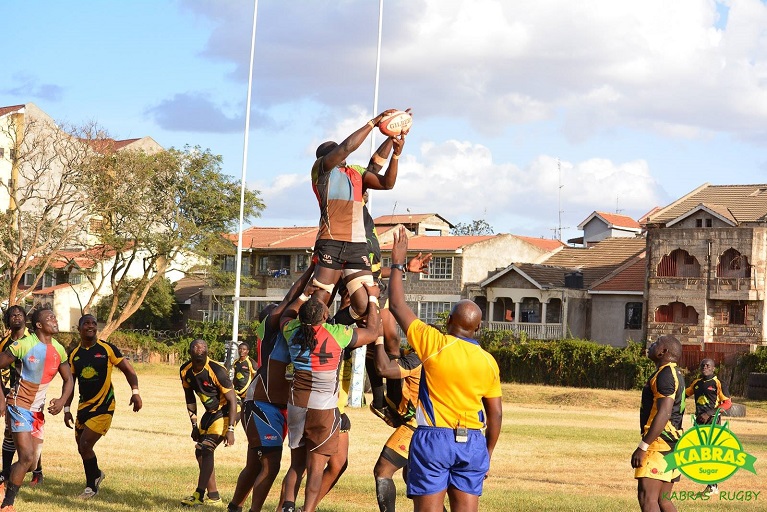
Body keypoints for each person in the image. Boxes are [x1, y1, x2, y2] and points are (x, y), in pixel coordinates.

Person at [386, 226, 503, 512]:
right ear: (478, 329)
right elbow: (496, 413)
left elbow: (397, 304)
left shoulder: (434, 343)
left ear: (449, 320)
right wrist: (486, 454)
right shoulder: (489, 361)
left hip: (434, 439)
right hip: (473, 441)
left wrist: (398, 263)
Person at [279, 282, 381, 512]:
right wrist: (373, 299)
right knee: (316, 467)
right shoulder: (336, 333)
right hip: (323, 408)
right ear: (325, 316)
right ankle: (307, 510)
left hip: (297, 404)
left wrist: (303, 295)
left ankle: (287, 506)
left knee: (296, 464)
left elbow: (285, 314)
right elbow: (373, 332)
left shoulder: (291, 330)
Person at [227, 264, 315, 512]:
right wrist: (310, 273)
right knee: (272, 463)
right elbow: (289, 299)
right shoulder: (267, 331)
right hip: (262, 404)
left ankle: (235, 507)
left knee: (256, 465)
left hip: (287, 406)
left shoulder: (295, 333)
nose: (282, 312)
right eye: (275, 311)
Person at [310, 110, 405, 321]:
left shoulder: (356, 173)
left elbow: (387, 183)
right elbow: (346, 147)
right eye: (335, 152)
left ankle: (334, 325)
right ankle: (305, 339)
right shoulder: (322, 171)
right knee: (319, 300)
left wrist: (395, 149)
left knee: (363, 305)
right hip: (331, 242)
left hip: (356, 246)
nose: (342, 154)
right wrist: (373, 122)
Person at [0, 308, 73, 511]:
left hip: (37, 412)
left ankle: (1, 477)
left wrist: (62, 400)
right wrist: (1, 396)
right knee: (26, 457)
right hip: (19, 406)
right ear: (39, 325)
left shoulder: (59, 349)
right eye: (50, 318)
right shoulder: (23, 345)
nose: (55, 320)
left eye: (55, 317)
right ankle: (7, 504)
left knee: (31, 464)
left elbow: (69, 379)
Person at [64, 314, 142, 499]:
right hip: (83, 407)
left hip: (104, 406)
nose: (91, 326)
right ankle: (97, 474)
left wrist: (136, 392)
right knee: (82, 448)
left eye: (93, 323)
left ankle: (91, 488)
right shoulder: (74, 354)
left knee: (85, 444)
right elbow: (69, 384)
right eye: (86, 323)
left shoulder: (107, 349)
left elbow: (128, 370)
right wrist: (66, 408)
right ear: (79, 328)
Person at [371, 335, 428, 512]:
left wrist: (379, 336)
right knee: (415, 480)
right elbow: (391, 354)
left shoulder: (417, 358)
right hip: (430, 426)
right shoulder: (434, 358)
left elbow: (384, 367)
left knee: (383, 471)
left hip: (415, 426)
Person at [180, 339, 237, 507]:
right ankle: (214, 497)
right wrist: (194, 424)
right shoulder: (185, 370)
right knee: (200, 452)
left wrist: (231, 429)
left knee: (206, 448)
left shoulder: (217, 370)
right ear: (190, 351)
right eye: (196, 346)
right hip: (211, 413)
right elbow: (189, 397)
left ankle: (199, 495)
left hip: (229, 410)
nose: (200, 348)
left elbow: (233, 400)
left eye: (204, 346)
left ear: (207, 351)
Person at [631, 335, 685, 512]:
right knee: (664, 501)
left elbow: (665, 412)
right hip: (673, 442)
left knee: (648, 499)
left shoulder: (665, 375)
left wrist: (643, 446)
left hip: (659, 444)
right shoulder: (675, 373)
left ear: (663, 351)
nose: (651, 345)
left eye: (655, 343)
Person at [685, 357, 731, 495]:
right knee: (700, 454)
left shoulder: (718, 383)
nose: (705, 367)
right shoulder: (697, 383)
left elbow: (727, 404)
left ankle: (713, 486)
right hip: (699, 423)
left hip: (713, 423)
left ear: (713, 368)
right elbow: (683, 395)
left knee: (710, 454)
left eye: (708, 365)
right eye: (702, 365)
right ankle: (711, 485)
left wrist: (709, 413)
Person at [0, 307, 33, 492]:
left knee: (32, 436)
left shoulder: (33, 340)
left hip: (31, 394)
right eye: (13, 315)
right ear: (8, 320)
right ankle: (5, 475)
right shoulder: (4, 343)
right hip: (12, 395)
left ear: (25, 319)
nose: (17, 317)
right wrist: (1, 397)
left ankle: (36, 471)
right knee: (10, 433)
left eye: (20, 314)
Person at [232, 342, 257, 410]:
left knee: (246, 411)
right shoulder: (235, 362)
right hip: (236, 391)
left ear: (247, 351)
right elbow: (235, 375)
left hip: (247, 392)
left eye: (244, 349)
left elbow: (256, 376)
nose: (242, 351)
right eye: (240, 349)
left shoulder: (251, 362)